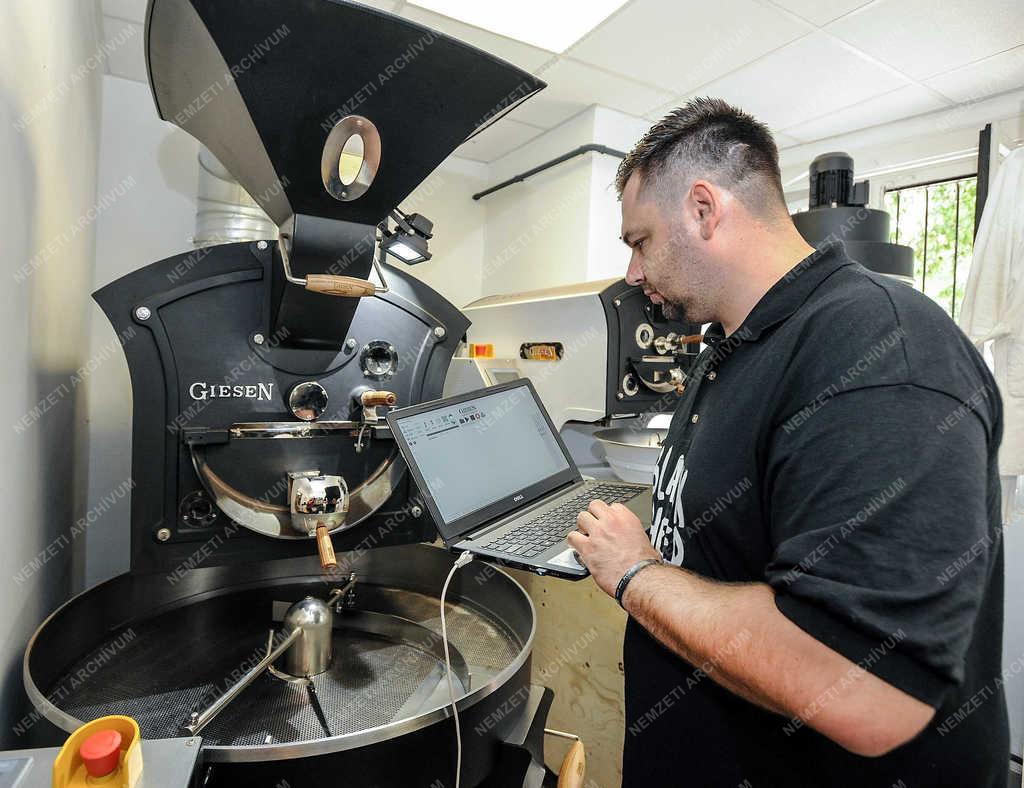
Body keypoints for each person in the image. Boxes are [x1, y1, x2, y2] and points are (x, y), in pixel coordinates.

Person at [567, 97, 1007, 787]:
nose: (632, 273)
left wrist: (636, 574)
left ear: (704, 210)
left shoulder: (881, 350)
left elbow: (862, 687)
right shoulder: (732, 348)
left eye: (639, 240)